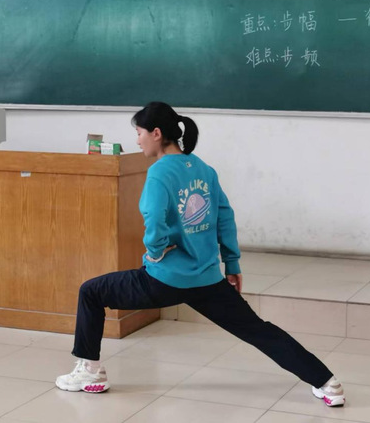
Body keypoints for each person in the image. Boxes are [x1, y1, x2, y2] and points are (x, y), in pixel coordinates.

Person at [55, 101, 345, 407]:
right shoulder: (204, 169)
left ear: (156, 133)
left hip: (164, 280)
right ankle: (328, 383)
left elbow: (153, 219)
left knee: (91, 292)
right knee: (258, 330)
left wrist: (155, 253)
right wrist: (232, 264)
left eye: (139, 132)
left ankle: (90, 371)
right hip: (207, 281)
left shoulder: (159, 173)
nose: (137, 140)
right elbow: (225, 217)